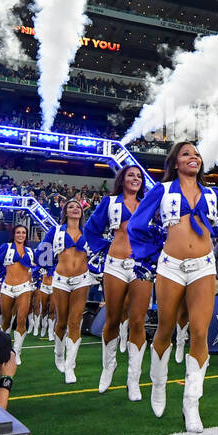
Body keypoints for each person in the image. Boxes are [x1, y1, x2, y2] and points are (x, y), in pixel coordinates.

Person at [126, 141, 218, 433]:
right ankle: (159, 383)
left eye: (197, 154)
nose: (194, 157)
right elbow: (136, 225)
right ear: (175, 163)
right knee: (165, 328)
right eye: (186, 153)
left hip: (203, 266)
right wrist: (151, 251)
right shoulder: (161, 191)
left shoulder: (213, 193)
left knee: (200, 332)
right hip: (170, 267)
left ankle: (192, 403)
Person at [83, 164, 151, 398]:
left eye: (139, 176)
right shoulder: (109, 203)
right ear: (122, 179)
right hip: (115, 264)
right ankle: (108, 367)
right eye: (131, 175)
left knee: (138, 321)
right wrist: (106, 249)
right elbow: (90, 231)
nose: (136, 179)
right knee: (112, 318)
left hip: (141, 265)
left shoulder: (148, 204)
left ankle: (134, 379)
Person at [49, 198, 93, 384]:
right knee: (61, 322)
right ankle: (59, 354)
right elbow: (43, 251)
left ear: (82, 212)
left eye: (77, 207)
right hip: (60, 280)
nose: (75, 209)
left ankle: (70, 366)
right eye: (70, 207)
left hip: (82, 279)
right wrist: (46, 270)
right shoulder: (56, 230)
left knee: (75, 322)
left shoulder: (88, 231)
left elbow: (99, 249)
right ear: (65, 212)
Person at [0, 224, 37, 364]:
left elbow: (36, 266)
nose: (21, 235)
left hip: (24, 287)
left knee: (21, 318)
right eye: (18, 232)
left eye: (23, 233)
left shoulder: (30, 251)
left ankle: (17, 352)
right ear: (14, 234)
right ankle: (6, 350)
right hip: (7, 287)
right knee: (6, 320)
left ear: (26, 235)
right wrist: (3, 276)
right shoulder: (5, 247)